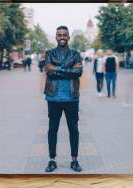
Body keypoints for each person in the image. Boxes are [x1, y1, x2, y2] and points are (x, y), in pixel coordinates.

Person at [44, 25, 83, 173]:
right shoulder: (49, 53)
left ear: (68, 37)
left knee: (74, 130)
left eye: (64, 35)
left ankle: (74, 160)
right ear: (56, 37)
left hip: (71, 97)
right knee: (52, 129)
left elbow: (78, 72)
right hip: (53, 97)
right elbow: (49, 72)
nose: (62, 37)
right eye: (59, 35)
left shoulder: (75, 54)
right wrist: (68, 69)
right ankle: (52, 160)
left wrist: (58, 68)